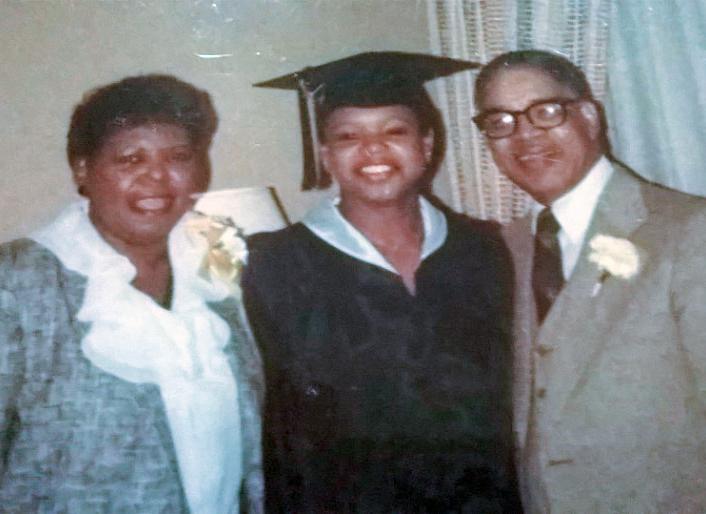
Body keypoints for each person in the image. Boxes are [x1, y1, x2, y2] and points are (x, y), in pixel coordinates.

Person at [243, 51, 521, 513]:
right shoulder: (272, 267)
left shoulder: (486, 251)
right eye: (348, 136)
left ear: (427, 145)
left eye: (395, 131)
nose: (373, 150)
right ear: (326, 156)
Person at [0, 75, 263, 513]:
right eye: (130, 159)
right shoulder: (17, 283)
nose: (157, 178)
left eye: (178, 157)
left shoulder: (220, 271)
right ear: (83, 169)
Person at [473, 49, 706, 513]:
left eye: (545, 112)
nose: (525, 135)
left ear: (588, 116)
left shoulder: (687, 231)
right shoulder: (504, 247)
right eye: (500, 121)